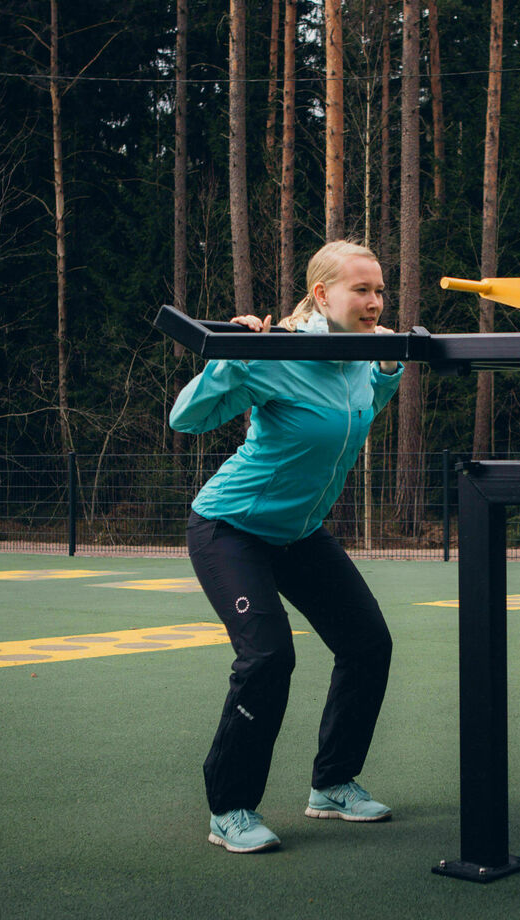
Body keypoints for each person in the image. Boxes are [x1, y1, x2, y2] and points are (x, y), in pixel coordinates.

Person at [168, 240, 403, 854]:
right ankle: (231, 809)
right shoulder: (276, 353)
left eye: (380, 289)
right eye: (362, 290)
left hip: (298, 535)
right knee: (269, 658)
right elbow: (185, 420)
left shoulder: (362, 355)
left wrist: (385, 372)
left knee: (368, 644)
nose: (376, 301)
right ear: (322, 294)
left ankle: (332, 784)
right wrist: (235, 360)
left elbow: (361, 413)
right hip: (231, 528)